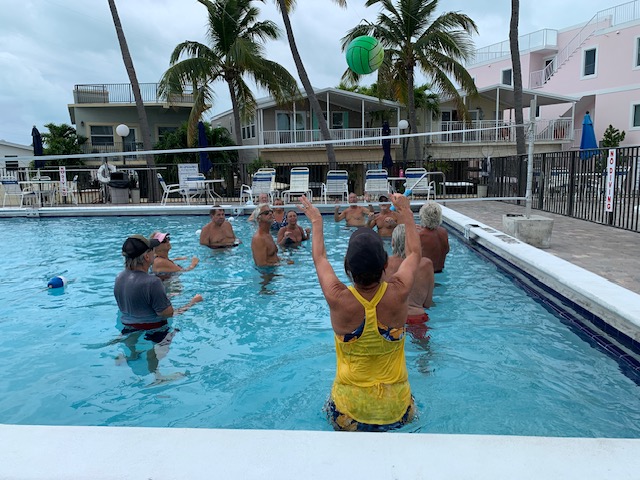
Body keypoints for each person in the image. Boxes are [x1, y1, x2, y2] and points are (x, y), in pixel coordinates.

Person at [300, 193, 421, 432]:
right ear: (385, 263)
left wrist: (316, 221)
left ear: (347, 267)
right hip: (397, 409)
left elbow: (320, 257)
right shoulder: (399, 292)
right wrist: (406, 212)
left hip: (349, 411)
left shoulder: (338, 298)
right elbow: (414, 253)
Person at [385, 224, 434, 339]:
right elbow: (427, 303)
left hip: (393, 319)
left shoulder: (385, 264)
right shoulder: (426, 264)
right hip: (417, 317)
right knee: (424, 348)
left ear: (393, 242)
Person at [417, 201, 449, 273]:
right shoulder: (444, 232)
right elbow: (446, 250)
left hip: (425, 275)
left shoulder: (420, 235)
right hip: (441, 272)